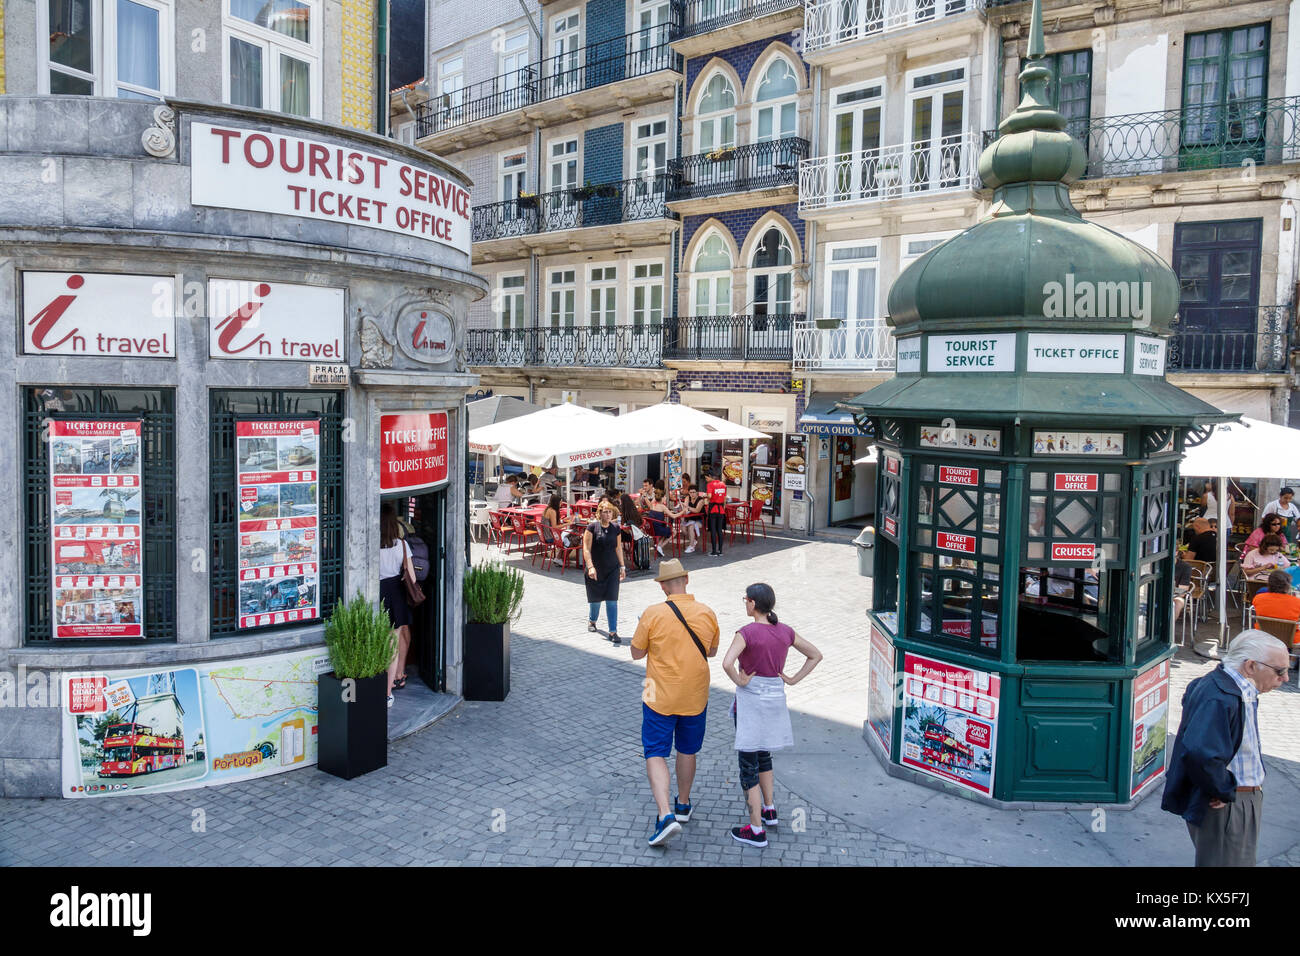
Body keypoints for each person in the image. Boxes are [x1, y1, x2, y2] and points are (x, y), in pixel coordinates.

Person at [1162, 630, 1290, 866]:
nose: (1285, 679)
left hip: (1234, 801)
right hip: (1230, 805)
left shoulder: (1225, 686)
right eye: (1279, 671)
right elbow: (1201, 754)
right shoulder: (1222, 697)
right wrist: (1222, 789)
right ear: (1251, 666)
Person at [721, 583, 822, 848]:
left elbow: (726, 663)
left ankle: (755, 830)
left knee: (748, 766)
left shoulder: (746, 633)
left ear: (753, 603)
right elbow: (815, 655)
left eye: (746, 600)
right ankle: (769, 809)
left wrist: (740, 681)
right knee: (764, 755)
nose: (745, 604)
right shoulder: (785, 631)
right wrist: (792, 679)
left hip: (750, 705)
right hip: (775, 701)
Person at [630, 559, 720, 847]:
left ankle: (665, 814)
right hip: (695, 692)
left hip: (657, 692)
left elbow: (635, 653)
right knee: (687, 749)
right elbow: (713, 651)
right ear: (687, 580)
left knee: (655, 751)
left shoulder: (652, 613)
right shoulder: (707, 612)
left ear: (662, 586)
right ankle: (682, 805)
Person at [379, 502, 417, 706]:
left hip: (375, 593)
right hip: (395, 594)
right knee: (392, 644)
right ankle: (387, 693)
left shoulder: (370, 546)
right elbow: (411, 576)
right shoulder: (402, 545)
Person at [582, 500, 626, 645]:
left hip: (612, 568)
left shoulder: (616, 528)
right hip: (596, 568)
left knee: (612, 600)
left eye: (610, 511)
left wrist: (622, 566)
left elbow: (618, 548)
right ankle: (592, 620)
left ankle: (613, 631)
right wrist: (590, 567)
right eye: (605, 511)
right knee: (595, 600)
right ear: (599, 513)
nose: (608, 514)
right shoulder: (592, 527)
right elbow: (586, 548)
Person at [1251, 570, 1300, 643]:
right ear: (1287, 585)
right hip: (1289, 639)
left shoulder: (1258, 598)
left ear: (1269, 584)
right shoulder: (1297, 602)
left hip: (1263, 635)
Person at [705, 468, 728, 556]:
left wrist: (706, 496)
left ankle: (714, 551)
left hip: (713, 509)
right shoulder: (723, 484)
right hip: (721, 509)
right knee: (720, 530)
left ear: (710, 476)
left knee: (713, 530)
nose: (706, 480)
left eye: (706, 478)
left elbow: (710, 496)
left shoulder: (710, 485)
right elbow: (725, 498)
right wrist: (724, 508)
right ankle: (720, 551)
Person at [645, 488, 673, 557]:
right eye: (665, 496)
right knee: (673, 531)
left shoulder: (653, 505)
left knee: (665, 529)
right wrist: (683, 511)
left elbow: (649, 503)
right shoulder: (662, 506)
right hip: (657, 530)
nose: (666, 497)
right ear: (662, 497)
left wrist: (644, 495)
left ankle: (658, 546)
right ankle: (660, 546)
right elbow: (674, 516)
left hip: (651, 530)